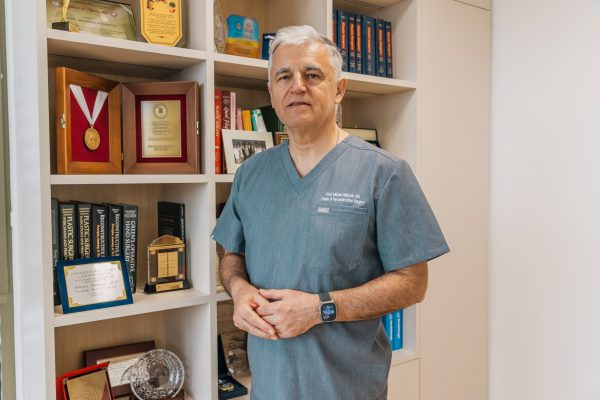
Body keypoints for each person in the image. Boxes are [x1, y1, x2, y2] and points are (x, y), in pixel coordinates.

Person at [211, 25, 449, 400]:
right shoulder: (250, 175)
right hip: (268, 388)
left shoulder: (384, 173)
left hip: (347, 388)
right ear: (272, 94)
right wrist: (239, 291)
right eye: (283, 77)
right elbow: (231, 254)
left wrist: (320, 308)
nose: (297, 86)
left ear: (338, 89)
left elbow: (413, 282)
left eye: (312, 75)